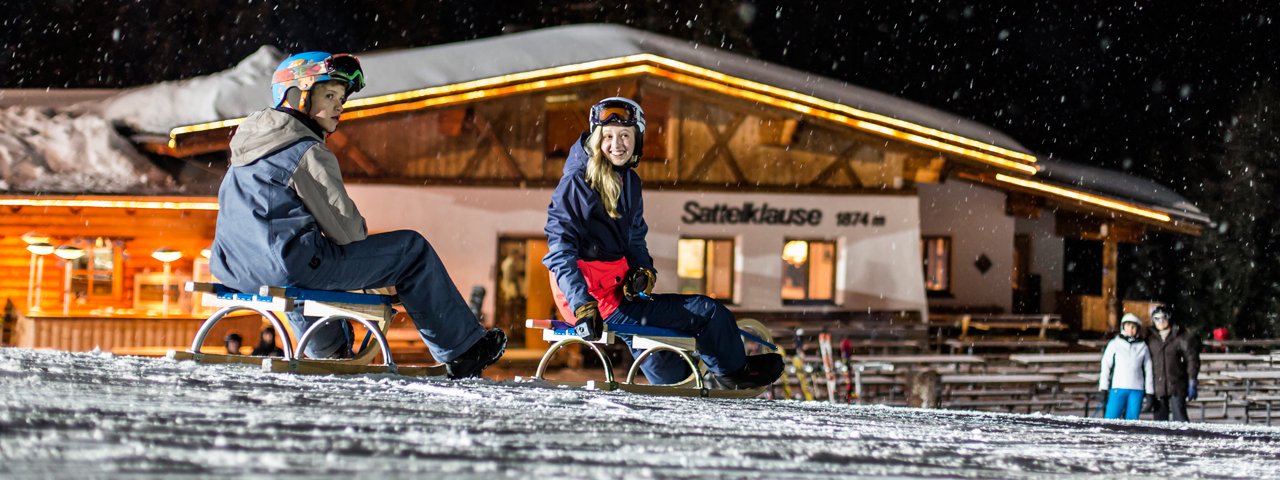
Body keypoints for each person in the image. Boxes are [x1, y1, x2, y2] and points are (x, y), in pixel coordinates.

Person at [209, 52, 505, 378]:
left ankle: (329, 352)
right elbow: (345, 229)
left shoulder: (249, 147)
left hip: (235, 269)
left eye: (341, 98)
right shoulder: (305, 150)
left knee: (302, 265)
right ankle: (463, 348)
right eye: (330, 95)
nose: (339, 106)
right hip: (286, 264)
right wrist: (378, 278)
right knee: (411, 250)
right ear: (297, 95)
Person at [542, 97, 783, 389]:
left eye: (625, 136)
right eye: (607, 136)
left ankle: (675, 381)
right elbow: (559, 249)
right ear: (596, 140)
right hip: (593, 300)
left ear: (637, 140)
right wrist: (582, 305)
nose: (616, 144)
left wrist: (643, 271)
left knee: (662, 354)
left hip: (616, 293)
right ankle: (734, 373)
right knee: (707, 312)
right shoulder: (578, 182)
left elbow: (634, 238)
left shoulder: (628, 182)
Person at [1145, 305, 1201, 422]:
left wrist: (1192, 380)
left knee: (1180, 418)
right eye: (1157, 318)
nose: (1161, 321)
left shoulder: (1180, 337)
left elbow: (1192, 358)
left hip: (1177, 384)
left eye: (1163, 317)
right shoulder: (1150, 339)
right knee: (1160, 422)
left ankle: (1184, 439)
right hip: (1158, 385)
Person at [1098, 313, 1154, 420]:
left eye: (1133, 327)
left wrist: (1149, 392)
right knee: (1111, 419)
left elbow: (1148, 369)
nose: (1130, 329)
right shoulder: (1114, 344)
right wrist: (1103, 387)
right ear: (1123, 327)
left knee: (1132, 421)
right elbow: (1106, 366)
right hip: (1118, 387)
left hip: (1136, 389)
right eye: (1128, 326)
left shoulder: (1142, 346)